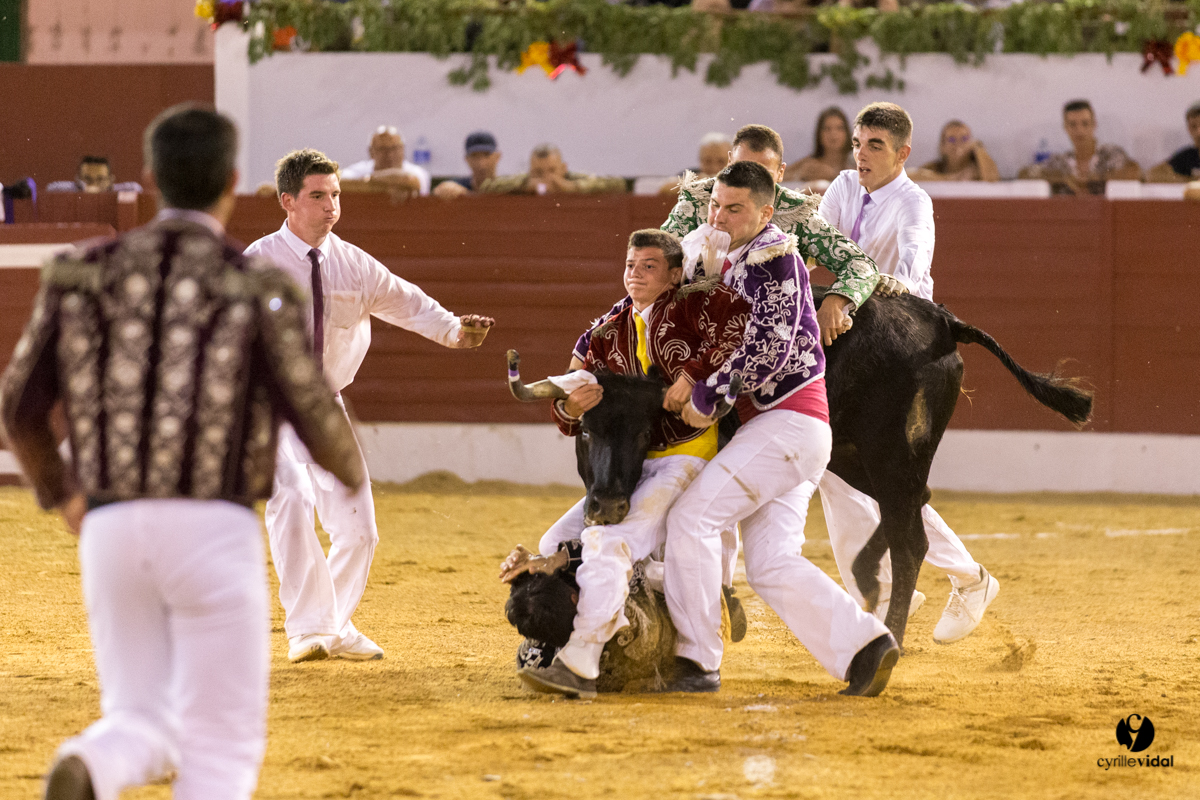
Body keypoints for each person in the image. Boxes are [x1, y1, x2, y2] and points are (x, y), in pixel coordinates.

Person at [0, 105, 364, 800]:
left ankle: (96, 761)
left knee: (138, 714)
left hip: (109, 523)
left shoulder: (80, 275)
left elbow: (18, 408)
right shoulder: (254, 284)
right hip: (211, 524)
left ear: (149, 178)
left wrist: (65, 494)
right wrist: (346, 471)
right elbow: (313, 410)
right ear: (232, 181)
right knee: (222, 746)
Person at [244, 148, 494, 664]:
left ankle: (331, 625)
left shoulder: (353, 264)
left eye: (335, 195)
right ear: (288, 201)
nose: (331, 206)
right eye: (318, 196)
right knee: (290, 498)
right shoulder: (258, 262)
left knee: (360, 528)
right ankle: (308, 629)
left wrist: (452, 331)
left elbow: (407, 300)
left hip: (325, 404)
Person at [661, 161, 899, 697]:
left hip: (786, 424)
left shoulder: (774, 257)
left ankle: (696, 660)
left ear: (766, 212)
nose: (720, 216)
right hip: (786, 433)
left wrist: (708, 393)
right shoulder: (731, 256)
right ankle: (865, 647)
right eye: (715, 205)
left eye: (735, 208)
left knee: (692, 520)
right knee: (770, 564)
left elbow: (770, 348)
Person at [499, 228, 752, 699]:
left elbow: (738, 335)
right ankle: (599, 614)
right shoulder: (603, 331)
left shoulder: (700, 312)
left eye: (649, 267)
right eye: (631, 266)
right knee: (557, 540)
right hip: (626, 463)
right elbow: (569, 407)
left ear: (675, 274)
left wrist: (694, 378)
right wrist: (571, 408)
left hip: (683, 456)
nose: (635, 275)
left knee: (608, 542)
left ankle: (583, 660)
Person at [817, 101, 1000, 642]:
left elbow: (916, 267)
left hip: (895, 355)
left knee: (878, 476)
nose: (861, 154)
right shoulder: (844, 187)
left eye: (874, 145)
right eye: (857, 143)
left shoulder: (915, 203)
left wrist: (888, 286)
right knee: (833, 469)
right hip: (846, 340)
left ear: (903, 153)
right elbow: (813, 247)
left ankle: (963, 578)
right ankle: (894, 587)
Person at [660, 123, 894, 351]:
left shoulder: (797, 212)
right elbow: (657, 258)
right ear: (729, 162)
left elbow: (860, 264)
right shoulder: (698, 199)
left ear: (781, 172)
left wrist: (836, 302)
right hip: (697, 329)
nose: (750, 182)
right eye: (742, 168)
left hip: (771, 337)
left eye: (762, 173)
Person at [1019, 100, 1141, 194]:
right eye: (1072, 125)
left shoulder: (1111, 154)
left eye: (1085, 124)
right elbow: (1023, 174)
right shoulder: (1060, 161)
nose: (1079, 130)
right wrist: (1061, 178)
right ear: (1065, 128)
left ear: (1094, 125)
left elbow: (1134, 171)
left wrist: (1094, 179)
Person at [479, 144, 626, 195]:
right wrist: (524, 186)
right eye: (539, 172)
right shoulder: (526, 180)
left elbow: (618, 184)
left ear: (563, 168)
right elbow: (486, 187)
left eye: (552, 171)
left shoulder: (572, 178)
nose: (546, 177)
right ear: (530, 171)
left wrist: (574, 187)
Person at [339, 126, 431, 198]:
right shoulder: (359, 169)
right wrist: (387, 185)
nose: (390, 154)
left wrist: (366, 184)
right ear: (371, 152)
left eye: (394, 148)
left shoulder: (419, 172)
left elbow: (410, 180)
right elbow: (337, 183)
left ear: (403, 149)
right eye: (383, 149)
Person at [908, 120, 1000, 182]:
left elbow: (993, 179)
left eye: (964, 139)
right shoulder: (936, 168)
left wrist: (979, 148)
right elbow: (909, 176)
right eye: (952, 139)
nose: (958, 144)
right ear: (942, 146)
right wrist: (950, 178)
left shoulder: (978, 169)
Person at [782, 107, 855, 183]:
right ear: (819, 134)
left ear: (847, 132)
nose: (833, 134)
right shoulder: (811, 163)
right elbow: (777, 175)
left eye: (839, 128)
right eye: (827, 129)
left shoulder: (856, 161)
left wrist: (833, 175)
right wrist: (799, 175)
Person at [432, 131, 502, 199]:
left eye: (486, 155)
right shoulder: (458, 186)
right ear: (467, 159)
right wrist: (445, 190)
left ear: (497, 156)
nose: (481, 163)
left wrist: (466, 195)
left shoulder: (506, 188)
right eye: (474, 156)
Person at [659, 132, 733, 194]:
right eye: (708, 161)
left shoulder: (739, 177)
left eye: (721, 161)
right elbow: (664, 188)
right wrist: (694, 183)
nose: (714, 167)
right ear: (700, 160)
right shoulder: (692, 175)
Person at [1146, 101, 1200, 182]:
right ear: (1188, 129)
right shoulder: (1187, 156)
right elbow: (1152, 174)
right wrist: (1189, 180)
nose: (1198, 132)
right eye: (1193, 126)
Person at [45, 155, 143, 193]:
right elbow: (51, 188)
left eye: (100, 179)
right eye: (87, 179)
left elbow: (136, 188)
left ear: (110, 180)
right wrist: (84, 189)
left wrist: (109, 189)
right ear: (78, 179)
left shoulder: (115, 190)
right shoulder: (74, 189)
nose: (94, 184)